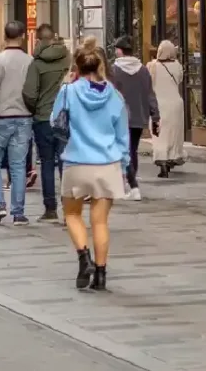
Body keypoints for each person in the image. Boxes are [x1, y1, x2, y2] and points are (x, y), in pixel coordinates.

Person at [52, 39, 129, 292]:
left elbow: (55, 121)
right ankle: (102, 274)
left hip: (76, 161)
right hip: (107, 163)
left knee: (72, 214)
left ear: (78, 66)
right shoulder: (115, 96)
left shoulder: (68, 91)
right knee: (100, 223)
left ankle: (84, 258)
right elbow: (122, 136)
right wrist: (124, 164)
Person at [0, 21, 35, 225]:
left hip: (0, 117)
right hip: (24, 117)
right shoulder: (30, 61)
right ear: (22, 36)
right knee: (18, 164)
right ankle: (18, 212)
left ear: (4, 36)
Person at [22, 25, 69, 218]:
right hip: (66, 117)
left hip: (43, 118)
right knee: (66, 163)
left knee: (47, 162)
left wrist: (35, 109)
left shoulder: (37, 64)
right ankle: (69, 208)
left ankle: (50, 208)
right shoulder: (68, 57)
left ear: (39, 40)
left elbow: (29, 93)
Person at [109, 37, 158, 199]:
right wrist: (155, 116)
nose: (115, 52)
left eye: (117, 49)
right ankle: (130, 182)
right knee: (132, 150)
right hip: (139, 116)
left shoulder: (114, 70)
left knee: (124, 151)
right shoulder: (143, 70)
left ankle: (132, 185)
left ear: (120, 51)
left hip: (120, 116)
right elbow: (150, 94)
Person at [148, 40, 183, 178]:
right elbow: (179, 80)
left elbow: (148, 83)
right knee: (173, 134)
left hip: (158, 104)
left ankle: (161, 161)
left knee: (159, 134)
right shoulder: (177, 65)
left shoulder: (152, 66)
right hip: (175, 103)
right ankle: (171, 157)